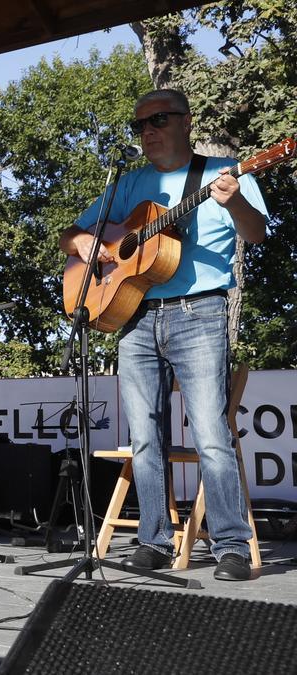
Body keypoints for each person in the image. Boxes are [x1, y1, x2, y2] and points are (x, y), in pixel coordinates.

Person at [58, 89, 267, 582]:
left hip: (200, 314)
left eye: (158, 120)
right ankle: (152, 540)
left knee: (212, 435)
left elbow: (256, 233)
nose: (147, 131)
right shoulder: (129, 185)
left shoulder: (227, 171)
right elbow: (69, 235)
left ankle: (231, 546)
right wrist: (87, 243)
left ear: (186, 121)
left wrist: (234, 203)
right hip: (132, 314)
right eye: (140, 125)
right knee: (145, 435)